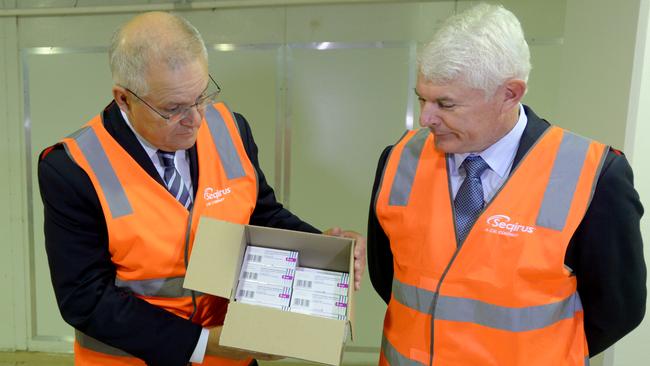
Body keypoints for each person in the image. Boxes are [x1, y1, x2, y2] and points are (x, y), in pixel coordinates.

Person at [38, 11, 366, 366]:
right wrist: (203, 343)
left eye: (200, 96)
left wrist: (326, 250)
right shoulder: (73, 167)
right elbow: (85, 298)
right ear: (123, 99)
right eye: (173, 108)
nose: (195, 119)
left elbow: (260, 213)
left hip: (231, 358)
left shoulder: (230, 129)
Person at [367, 3, 645, 366]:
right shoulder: (399, 160)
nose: (426, 118)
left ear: (510, 93)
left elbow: (617, 310)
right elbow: (385, 274)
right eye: (423, 98)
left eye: (445, 104)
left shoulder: (595, 176)